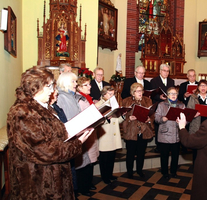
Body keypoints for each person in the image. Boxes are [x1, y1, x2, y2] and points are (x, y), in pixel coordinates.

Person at [7, 67, 92, 199]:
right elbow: (45, 151)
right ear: (36, 87)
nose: (52, 90)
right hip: (39, 183)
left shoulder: (41, 106)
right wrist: (77, 143)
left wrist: (73, 132)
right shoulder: (22, 112)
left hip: (55, 178)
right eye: (49, 86)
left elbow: (55, 133)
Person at [122, 83, 154, 178]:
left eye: (141, 91)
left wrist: (150, 119)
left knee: (141, 153)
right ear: (133, 92)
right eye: (138, 91)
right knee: (130, 153)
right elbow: (122, 116)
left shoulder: (148, 101)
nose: (140, 93)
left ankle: (139, 170)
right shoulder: (126, 101)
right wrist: (129, 118)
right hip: (131, 130)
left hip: (143, 130)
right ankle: (130, 172)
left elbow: (153, 115)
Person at [74, 77, 99, 195]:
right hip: (85, 134)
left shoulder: (87, 98)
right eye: (86, 85)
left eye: (89, 84)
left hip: (90, 133)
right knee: (84, 163)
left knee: (90, 163)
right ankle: (83, 188)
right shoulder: (79, 100)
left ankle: (88, 184)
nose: (90, 87)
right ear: (79, 87)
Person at [155, 87, 184, 179]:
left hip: (176, 134)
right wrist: (162, 119)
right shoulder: (161, 104)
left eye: (175, 93)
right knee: (164, 156)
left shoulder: (182, 105)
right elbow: (156, 118)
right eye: (171, 93)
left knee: (175, 156)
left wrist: (182, 121)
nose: (173, 95)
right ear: (167, 95)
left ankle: (173, 172)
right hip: (165, 133)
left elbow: (186, 120)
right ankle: (165, 172)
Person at [97, 86, 124, 184]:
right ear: (104, 94)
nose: (112, 96)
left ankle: (110, 174)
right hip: (105, 134)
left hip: (114, 133)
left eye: (113, 94)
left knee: (111, 157)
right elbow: (98, 121)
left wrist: (123, 115)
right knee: (104, 158)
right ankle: (104, 176)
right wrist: (107, 118)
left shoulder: (114, 103)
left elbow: (118, 120)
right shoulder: (99, 104)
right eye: (110, 94)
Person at [187, 80, 207, 163]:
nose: (203, 87)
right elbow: (188, 112)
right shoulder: (193, 97)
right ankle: (196, 168)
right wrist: (193, 115)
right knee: (196, 150)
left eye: (205, 85)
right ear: (198, 87)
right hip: (197, 125)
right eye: (201, 85)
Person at [151, 64, 175, 152]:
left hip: (168, 105)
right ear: (160, 71)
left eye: (167, 71)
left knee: (168, 123)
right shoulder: (154, 81)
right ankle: (158, 145)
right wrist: (159, 97)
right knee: (158, 125)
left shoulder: (171, 81)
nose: (166, 72)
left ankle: (168, 142)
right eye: (164, 70)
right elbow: (152, 94)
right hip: (158, 105)